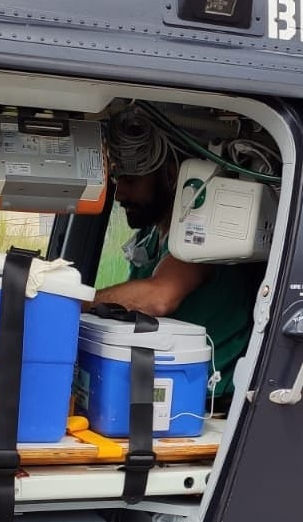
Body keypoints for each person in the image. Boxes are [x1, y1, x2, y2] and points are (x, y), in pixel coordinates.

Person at [92, 158, 264, 412]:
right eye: (117, 181)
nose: (119, 194)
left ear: (172, 176)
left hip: (200, 402)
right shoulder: (150, 237)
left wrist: (78, 301)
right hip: (157, 384)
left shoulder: (203, 240)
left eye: (130, 181)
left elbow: (159, 297)